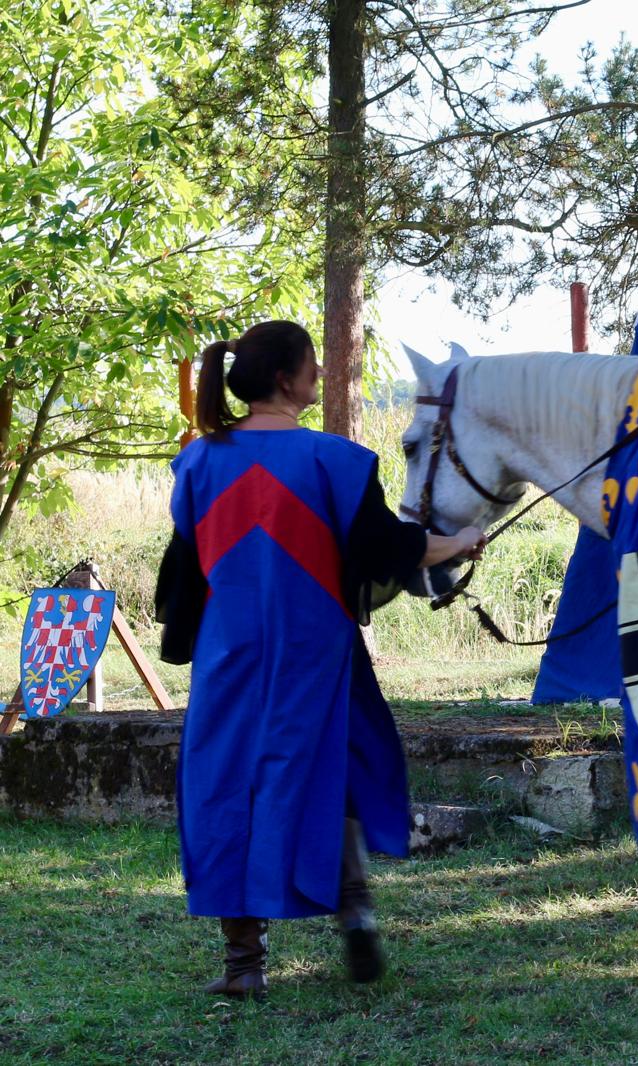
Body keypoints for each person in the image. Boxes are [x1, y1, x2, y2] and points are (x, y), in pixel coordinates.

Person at [154, 320, 484, 999]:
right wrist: (459, 541)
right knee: (336, 772)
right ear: (287, 379)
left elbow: (182, 568)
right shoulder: (336, 460)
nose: (321, 373)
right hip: (317, 654)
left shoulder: (197, 463)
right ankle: (354, 906)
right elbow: (388, 549)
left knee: (224, 789)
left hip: (227, 657)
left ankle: (244, 964)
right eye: (312, 363)